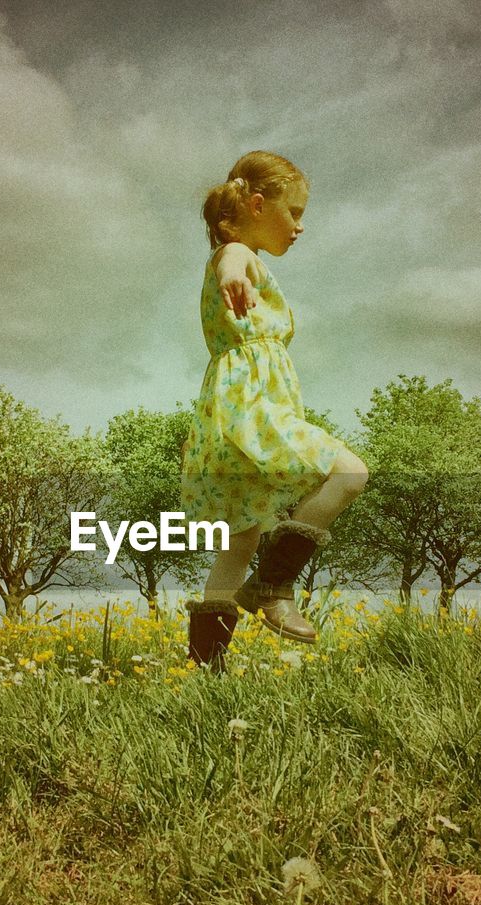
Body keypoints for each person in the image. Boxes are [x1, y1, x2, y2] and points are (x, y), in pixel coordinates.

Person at [181, 150, 369, 672]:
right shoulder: (238, 254)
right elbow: (231, 256)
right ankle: (274, 584)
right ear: (258, 205)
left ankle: (205, 672)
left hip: (232, 412)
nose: (300, 227)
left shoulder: (247, 258)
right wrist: (234, 269)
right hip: (252, 409)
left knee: (238, 539)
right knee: (349, 472)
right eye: (295, 213)